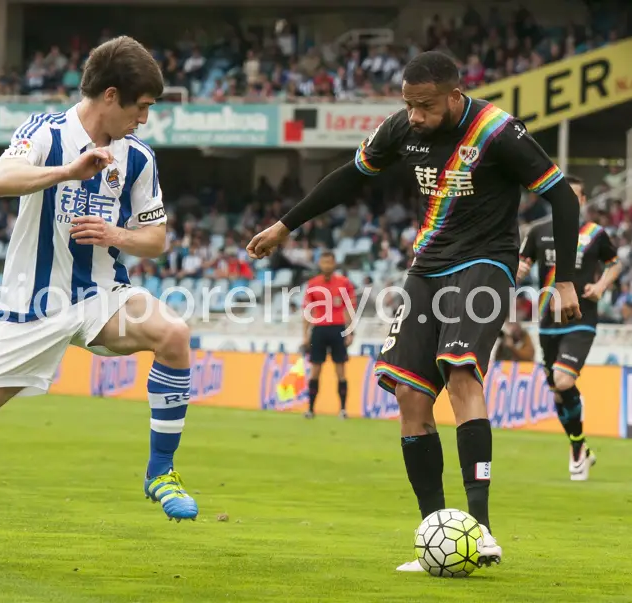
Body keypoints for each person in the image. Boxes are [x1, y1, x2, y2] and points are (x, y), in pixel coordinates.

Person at [246, 50, 583, 572]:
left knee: (461, 371)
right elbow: (349, 177)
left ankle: (482, 530)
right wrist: (287, 225)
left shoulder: (497, 131)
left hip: (485, 264)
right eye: (408, 105)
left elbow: (563, 197)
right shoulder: (400, 128)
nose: (416, 117)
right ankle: (436, 537)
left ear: (454, 96)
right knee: (407, 392)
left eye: (425, 106)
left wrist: (564, 280)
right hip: (426, 268)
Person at [0, 36, 199, 567]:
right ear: (111, 95)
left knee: (172, 333)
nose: (144, 120)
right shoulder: (45, 132)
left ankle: (160, 472)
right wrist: (66, 172)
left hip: (100, 296)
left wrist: (115, 234)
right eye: (141, 107)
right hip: (29, 306)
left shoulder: (139, 158)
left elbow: (156, 239)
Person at [517, 175, 620, 481]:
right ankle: (579, 446)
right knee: (558, 393)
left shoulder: (595, 234)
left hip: (581, 320)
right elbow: (522, 264)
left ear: (584, 201)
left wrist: (601, 284)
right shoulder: (538, 231)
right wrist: (515, 271)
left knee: (563, 381)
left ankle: (577, 449)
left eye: (575, 197)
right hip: (548, 323)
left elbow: (614, 263)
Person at [302, 250, 355, 419]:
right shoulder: (312, 284)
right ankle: (310, 409)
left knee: (340, 370)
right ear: (319, 263)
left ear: (334, 263)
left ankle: (343, 409)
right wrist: (305, 334)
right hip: (319, 328)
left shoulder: (344, 283)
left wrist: (350, 331)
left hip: (338, 328)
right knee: (315, 369)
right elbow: (307, 310)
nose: (326, 265)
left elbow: (349, 308)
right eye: (324, 262)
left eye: (329, 262)